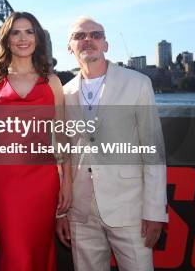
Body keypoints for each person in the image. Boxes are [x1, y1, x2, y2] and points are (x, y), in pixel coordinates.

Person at [56, 16, 168, 271]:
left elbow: (153, 150)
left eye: (95, 35)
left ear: (106, 44)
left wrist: (154, 211)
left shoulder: (137, 84)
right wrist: (61, 212)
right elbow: (62, 155)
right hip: (80, 210)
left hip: (130, 208)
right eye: (79, 36)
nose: (88, 40)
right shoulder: (64, 93)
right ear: (69, 47)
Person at [0, 12, 72, 271]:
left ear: (37, 38)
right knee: (17, 255)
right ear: (7, 40)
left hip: (43, 179)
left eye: (29, 32)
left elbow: (61, 135)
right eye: (16, 32)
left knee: (39, 252)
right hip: (4, 179)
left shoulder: (52, 82)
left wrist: (67, 182)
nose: (22, 38)